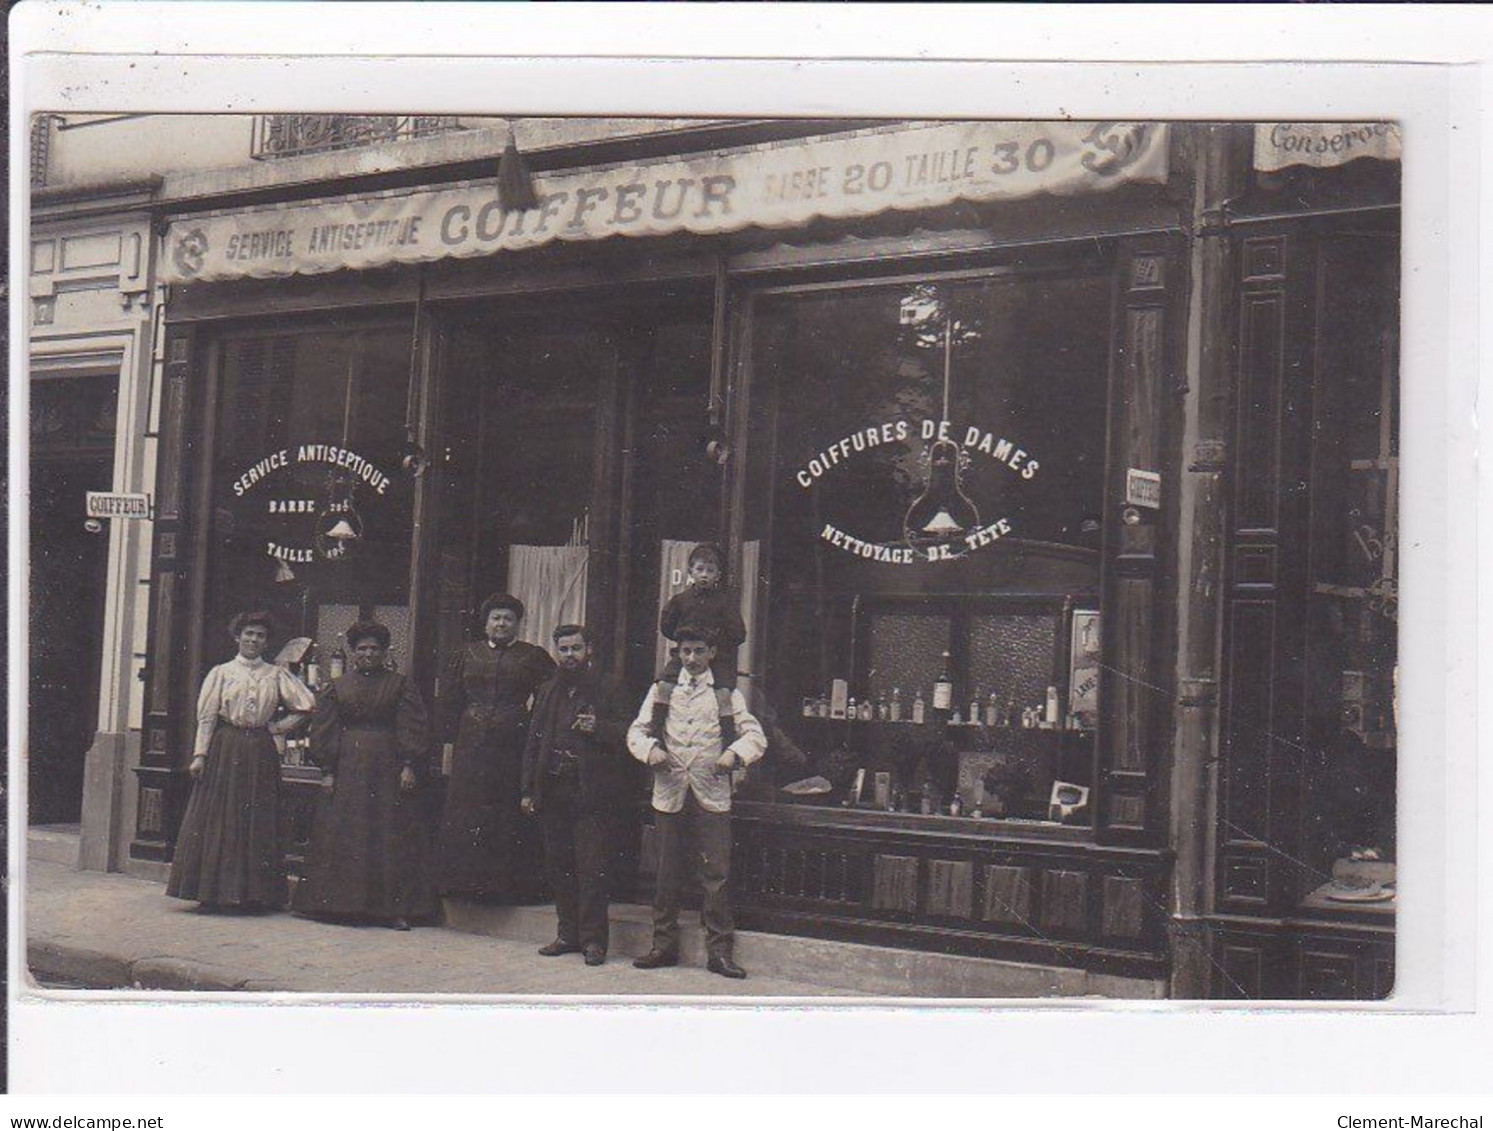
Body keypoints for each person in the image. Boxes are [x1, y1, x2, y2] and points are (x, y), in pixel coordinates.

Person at [626, 623, 766, 979]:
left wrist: (733, 756)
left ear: (712, 653)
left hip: (711, 792)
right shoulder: (661, 691)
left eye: (698, 651)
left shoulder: (726, 694)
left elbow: (755, 736)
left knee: (715, 875)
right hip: (670, 791)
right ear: (677, 653)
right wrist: (651, 750)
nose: (691, 658)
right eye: (685, 651)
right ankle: (663, 946)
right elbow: (636, 732)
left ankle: (719, 953)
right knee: (665, 873)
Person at [294, 621, 437, 930]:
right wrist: (328, 770)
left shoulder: (400, 684)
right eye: (362, 649)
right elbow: (324, 728)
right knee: (348, 834)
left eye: (374, 649)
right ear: (353, 652)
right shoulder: (339, 685)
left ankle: (393, 910)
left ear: (384, 652)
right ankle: (342, 906)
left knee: (389, 835)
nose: (368, 654)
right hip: (349, 768)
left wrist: (409, 764)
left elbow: (412, 726)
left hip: (388, 766)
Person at [167, 611, 315, 911]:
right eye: (248, 633)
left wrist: (275, 728)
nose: (253, 639)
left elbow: (306, 705)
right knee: (221, 817)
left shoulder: (275, 674)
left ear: (266, 641)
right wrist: (200, 755)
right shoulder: (221, 672)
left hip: (260, 748)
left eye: (260, 635)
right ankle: (213, 893)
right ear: (237, 637)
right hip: (226, 747)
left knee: (257, 818)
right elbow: (207, 717)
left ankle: (254, 896)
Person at [519, 624, 631, 966]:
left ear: (589, 650)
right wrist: (527, 789)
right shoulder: (548, 689)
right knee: (559, 866)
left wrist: (599, 729)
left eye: (576, 649)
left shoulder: (608, 686)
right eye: (564, 649)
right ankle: (567, 935)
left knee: (592, 868)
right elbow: (533, 742)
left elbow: (630, 734)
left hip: (590, 792)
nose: (570, 656)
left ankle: (594, 941)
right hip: (553, 790)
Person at [435, 593, 556, 901]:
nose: (501, 624)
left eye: (508, 619)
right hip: (470, 742)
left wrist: (529, 724)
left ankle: (506, 888)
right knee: (468, 808)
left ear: (517, 624)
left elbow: (550, 697)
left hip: (513, 742)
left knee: (506, 810)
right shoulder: (467, 653)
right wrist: (449, 742)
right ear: (486, 623)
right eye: (496, 618)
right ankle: (464, 885)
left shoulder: (532, 656)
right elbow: (449, 700)